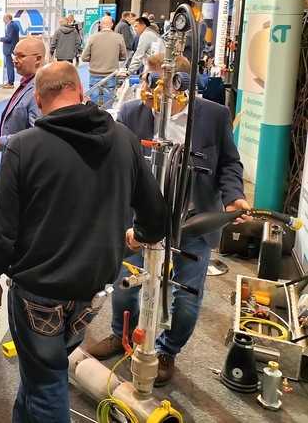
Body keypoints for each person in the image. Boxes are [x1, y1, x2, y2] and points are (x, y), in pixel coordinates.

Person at [0, 61, 167, 422]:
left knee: (47, 380)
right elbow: (156, 217)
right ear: (80, 91)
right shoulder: (124, 139)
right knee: (41, 371)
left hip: (39, 290)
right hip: (92, 289)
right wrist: (139, 235)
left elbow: (0, 227)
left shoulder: (24, 147)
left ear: (38, 98)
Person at [88, 53, 249, 386]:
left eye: (160, 77)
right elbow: (115, 165)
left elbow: (230, 164)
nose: (151, 85)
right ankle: (122, 335)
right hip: (140, 219)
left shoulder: (213, 115)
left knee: (187, 298)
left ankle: (167, 351)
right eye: (148, 77)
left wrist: (234, 195)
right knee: (125, 286)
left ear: (181, 82)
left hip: (192, 221)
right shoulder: (134, 112)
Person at [0, 37, 43, 157]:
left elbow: (39, 136)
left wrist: (5, 142)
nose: (15, 60)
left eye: (21, 56)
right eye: (15, 55)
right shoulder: (27, 83)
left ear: (38, 59)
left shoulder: (39, 89)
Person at [81, 15, 127, 108]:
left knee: (93, 102)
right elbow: (123, 56)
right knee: (108, 102)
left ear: (100, 25)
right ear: (112, 24)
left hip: (94, 74)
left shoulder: (93, 37)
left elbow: (84, 57)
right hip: (111, 74)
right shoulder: (119, 37)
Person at [0, 13, 20, 88]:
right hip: (12, 48)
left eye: (4, 18)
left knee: (9, 66)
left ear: (7, 18)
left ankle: (10, 83)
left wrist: (1, 39)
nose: (3, 20)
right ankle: (10, 82)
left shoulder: (10, 25)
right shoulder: (15, 25)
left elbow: (9, 38)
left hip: (9, 49)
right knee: (10, 66)